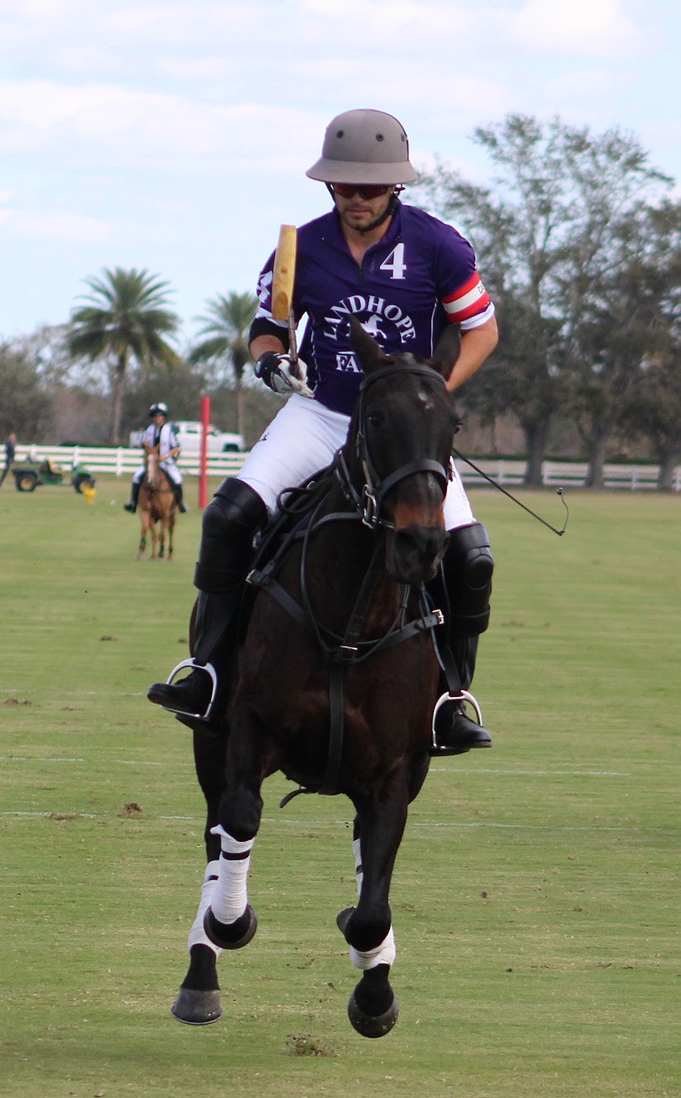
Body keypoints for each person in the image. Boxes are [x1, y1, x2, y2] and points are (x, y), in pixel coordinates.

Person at [148, 108, 498, 754]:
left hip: (404, 431)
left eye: (367, 188)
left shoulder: (439, 246)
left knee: (472, 558)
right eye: (342, 186)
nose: (354, 199)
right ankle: (210, 672)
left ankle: (449, 698)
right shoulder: (299, 248)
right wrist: (271, 361)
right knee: (227, 517)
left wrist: (430, 396)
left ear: (396, 186)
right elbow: (268, 327)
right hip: (321, 412)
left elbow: (482, 329)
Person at [124, 403, 188, 513]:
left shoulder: (169, 430)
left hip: (165, 462)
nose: (157, 418)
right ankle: (133, 503)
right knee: (136, 477)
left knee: (177, 478)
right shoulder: (148, 429)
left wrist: (166, 456)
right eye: (155, 416)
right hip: (151, 462)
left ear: (163, 417)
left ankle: (180, 503)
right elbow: (141, 443)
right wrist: (144, 443)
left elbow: (176, 447)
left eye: (159, 416)